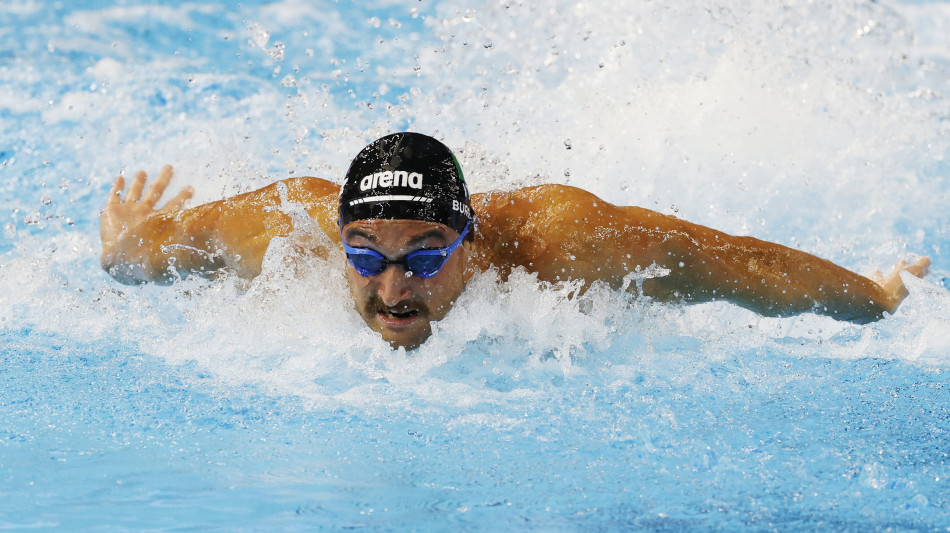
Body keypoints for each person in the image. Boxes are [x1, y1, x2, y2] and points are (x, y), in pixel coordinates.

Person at [100, 132, 930, 349]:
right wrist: (122, 249)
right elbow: (148, 253)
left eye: (425, 257)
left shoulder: (562, 243)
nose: (393, 292)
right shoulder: (293, 226)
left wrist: (879, 297)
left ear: (469, 236)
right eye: (368, 256)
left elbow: (741, 265)